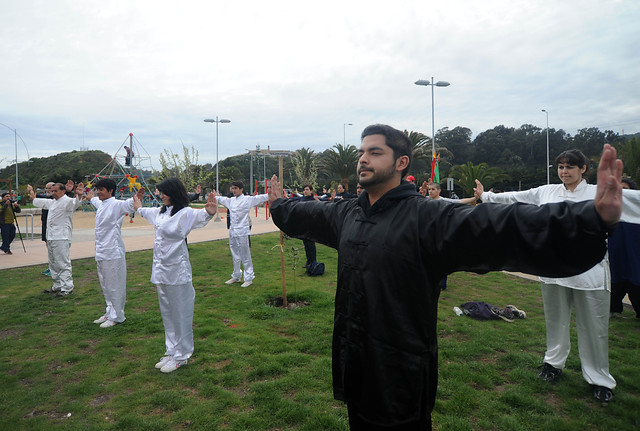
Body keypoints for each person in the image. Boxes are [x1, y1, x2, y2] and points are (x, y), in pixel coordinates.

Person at [268, 123, 622, 430]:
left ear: (401, 162)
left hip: (400, 366)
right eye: (362, 151)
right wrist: (281, 204)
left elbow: (501, 226)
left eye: (374, 152)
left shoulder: (429, 218)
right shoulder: (348, 214)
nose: (363, 158)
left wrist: (589, 220)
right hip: (353, 356)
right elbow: (308, 213)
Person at [474, 149, 640, 404]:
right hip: (553, 271)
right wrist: (485, 195)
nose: (564, 172)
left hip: (591, 274)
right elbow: (516, 198)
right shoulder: (546, 192)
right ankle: (553, 364)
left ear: (583, 169)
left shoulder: (599, 192)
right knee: (556, 322)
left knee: (595, 328)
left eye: (570, 167)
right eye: (561, 167)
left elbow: (634, 200)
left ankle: (599, 379)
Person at [133, 177, 217, 373]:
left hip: (177, 272)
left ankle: (182, 355)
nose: (160, 195)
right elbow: (144, 211)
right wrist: (137, 206)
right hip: (161, 271)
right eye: (159, 192)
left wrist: (209, 212)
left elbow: (201, 215)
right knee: (167, 313)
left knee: (181, 313)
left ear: (174, 193)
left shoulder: (185, 214)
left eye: (164, 192)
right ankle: (171, 350)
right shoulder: (161, 212)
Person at [86, 179, 144, 328]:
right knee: (105, 285)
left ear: (111, 191)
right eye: (97, 189)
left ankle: (117, 316)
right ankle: (109, 312)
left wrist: (136, 199)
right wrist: (90, 196)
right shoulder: (102, 204)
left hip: (113, 251)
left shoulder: (117, 204)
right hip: (101, 252)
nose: (99, 192)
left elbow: (128, 204)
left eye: (101, 190)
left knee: (114, 285)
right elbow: (95, 201)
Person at [28, 181, 85, 296]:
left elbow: (76, 203)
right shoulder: (52, 202)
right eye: (52, 191)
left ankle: (67, 287)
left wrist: (79, 194)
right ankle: (57, 285)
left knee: (62, 263)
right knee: (53, 263)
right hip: (51, 237)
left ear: (63, 191)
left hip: (62, 237)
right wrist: (30, 191)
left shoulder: (68, 201)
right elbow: (37, 201)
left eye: (56, 191)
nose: (53, 193)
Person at [216, 181, 269, 287]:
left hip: (243, 231)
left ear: (241, 189)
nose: (233, 190)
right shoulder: (230, 201)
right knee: (235, 254)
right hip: (233, 231)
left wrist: (272, 193)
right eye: (232, 188)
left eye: (235, 188)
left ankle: (249, 277)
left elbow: (261, 198)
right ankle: (236, 276)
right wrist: (215, 196)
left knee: (245, 254)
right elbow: (220, 199)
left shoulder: (247, 199)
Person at [609, 177, 640, 318]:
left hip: (635, 258)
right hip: (615, 258)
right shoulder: (607, 211)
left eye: (625, 190)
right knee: (615, 285)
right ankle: (612, 310)